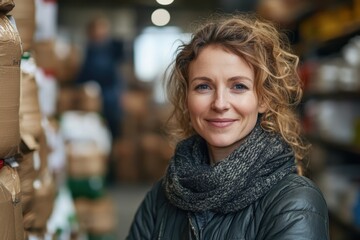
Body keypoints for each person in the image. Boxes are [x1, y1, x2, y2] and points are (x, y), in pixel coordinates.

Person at [127, 13, 329, 239]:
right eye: (203, 86)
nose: (220, 104)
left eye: (239, 86)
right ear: (187, 99)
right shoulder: (163, 195)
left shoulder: (295, 202)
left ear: (263, 99)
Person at [76, 15, 126, 141]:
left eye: (102, 29)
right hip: (91, 98)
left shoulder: (113, 49)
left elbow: (116, 73)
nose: (100, 33)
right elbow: (83, 75)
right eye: (96, 29)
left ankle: (111, 155)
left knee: (112, 130)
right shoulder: (88, 51)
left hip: (110, 98)